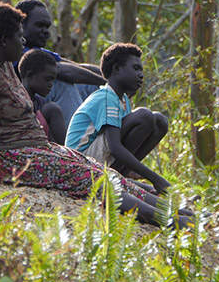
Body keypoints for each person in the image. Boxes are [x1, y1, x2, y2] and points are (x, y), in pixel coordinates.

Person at [0, 2, 192, 229]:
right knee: (96, 180)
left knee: (99, 169)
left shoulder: (5, 68)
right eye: (18, 37)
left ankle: (187, 214)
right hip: (5, 158)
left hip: (35, 149)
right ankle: (177, 223)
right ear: (3, 40)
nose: (23, 42)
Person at [65, 43, 171, 195]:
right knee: (144, 116)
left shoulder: (123, 100)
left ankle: (122, 175)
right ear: (116, 69)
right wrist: (155, 178)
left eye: (141, 70)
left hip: (97, 156)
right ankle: (118, 175)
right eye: (136, 69)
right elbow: (115, 147)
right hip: (81, 161)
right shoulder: (107, 97)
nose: (141, 74)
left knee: (160, 121)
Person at [14, 0, 105, 126]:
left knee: (90, 84)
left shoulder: (37, 51)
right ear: (22, 24)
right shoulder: (15, 49)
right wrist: (106, 81)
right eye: (39, 25)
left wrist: (112, 76)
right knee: (62, 82)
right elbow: (62, 70)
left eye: (47, 27)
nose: (46, 31)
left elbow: (74, 66)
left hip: (40, 101)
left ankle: (105, 132)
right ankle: (79, 139)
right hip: (21, 105)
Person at [18, 49, 66, 144]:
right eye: (48, 79)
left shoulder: (40, 104)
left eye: (53, 80)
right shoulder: (14, 101)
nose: (51, 84)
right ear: (30, 75)